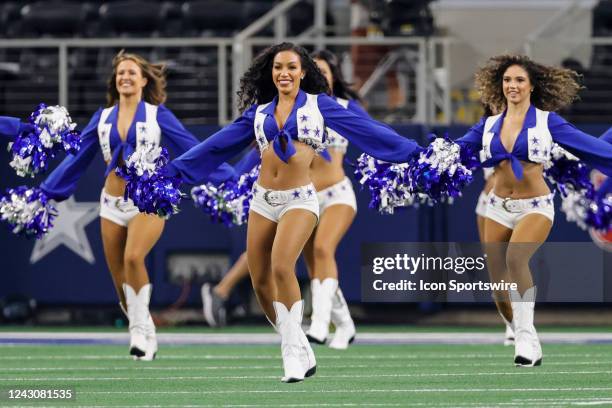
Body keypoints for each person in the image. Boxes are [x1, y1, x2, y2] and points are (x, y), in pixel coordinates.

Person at [148, 42, 422, 382]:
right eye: (278, 67)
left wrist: (415, 154)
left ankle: (292, 352)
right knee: (261, 279)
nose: (284, 73)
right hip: (263, 199)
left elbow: (370, 132)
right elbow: (217, 145)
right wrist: (172, 173)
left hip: (300, 199)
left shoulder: (320, 105)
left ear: (303, 72)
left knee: (281, 265)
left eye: (291, 67)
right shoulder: (260, 113)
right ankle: (296, 341)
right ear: (271, 72)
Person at [37, 51, 234, 361]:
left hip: (148, 199)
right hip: (111, 203)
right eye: (120, 73)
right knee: (119, 281)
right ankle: (145, 332)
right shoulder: (101, 119)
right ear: (115, 81)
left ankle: (139, 331)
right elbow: (77, 159)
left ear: (144, 80)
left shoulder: (158, 115)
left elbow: (192, 147)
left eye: (131, 73)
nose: (125, 77)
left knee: (133, 257)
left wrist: (227, 176)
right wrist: (46, 192)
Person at [454, 54, 612, 367]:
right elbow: (452, 151)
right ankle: (524, 332)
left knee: (516, 257)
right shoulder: (486, 126)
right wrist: (412, 160)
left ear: (531, 86)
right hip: (497, 207)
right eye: (507, 80)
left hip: (536, 206)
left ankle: (525, 338)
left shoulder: (547, 121)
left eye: (519, 80)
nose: (512, 85)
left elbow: (589, 146)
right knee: (498, 285)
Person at [302, 49, 364, 349]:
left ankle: (318, 322)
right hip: (303, 197)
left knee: (324, 248)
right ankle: (345, 324)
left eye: (324, 71)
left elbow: (376, 133)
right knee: (315, 265)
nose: (319, 75)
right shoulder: (294, 110)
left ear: (332, 77)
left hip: (338, 193)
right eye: (314, 70)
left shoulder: (345, 107)